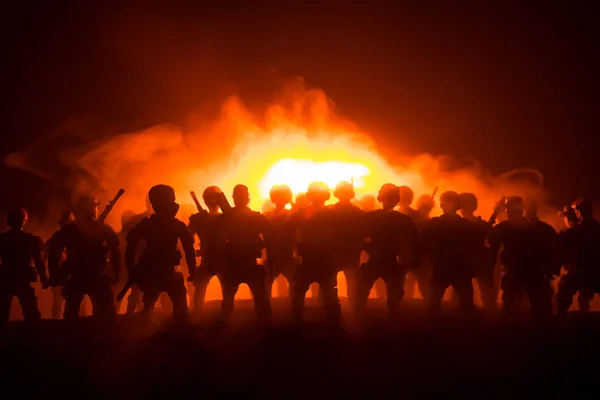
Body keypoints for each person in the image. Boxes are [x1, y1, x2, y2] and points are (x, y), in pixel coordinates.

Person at [125, 185, 196, 323]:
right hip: (163, 274)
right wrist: (192, 269)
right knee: (174, 310)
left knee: (151, 310)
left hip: (158, 274)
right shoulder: (174, 225)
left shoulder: (148, 224)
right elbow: (189, 248)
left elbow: (130, 246)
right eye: (171, 200)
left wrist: (132, 270)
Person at [47, 195, 121, 323]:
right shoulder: (101, 229)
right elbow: (115, 251)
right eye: (95, 207)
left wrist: (55, 274)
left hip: (80, 275)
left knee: (72, 314)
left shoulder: (69, 230)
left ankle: (73, 339)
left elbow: (54, 251)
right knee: (107, 316)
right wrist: (115, 274)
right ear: (91, 209)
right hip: (94, 275)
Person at [356, 184, 417, 318]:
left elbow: (358, 238)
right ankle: (393, 321)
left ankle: (358, 321)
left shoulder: (368, 218)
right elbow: (410, 241)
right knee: (394, 298)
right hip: (391, 262)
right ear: (397, 199)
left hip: (374, 260)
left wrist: (369, 247)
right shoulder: (404, 220)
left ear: (380, 198)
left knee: (360, 296)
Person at [284, 182, 341, 322]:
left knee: (299, 293)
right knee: (328, 293)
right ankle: (333, 323)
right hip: (324, 259)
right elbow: (342, 236)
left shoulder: (301, 214)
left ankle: (296, 321)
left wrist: (295, 248)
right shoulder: (333, 214)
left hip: (308, 258)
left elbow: (286, 231)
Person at [488, 196, 554, 318]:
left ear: (508, 210)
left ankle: (508, 331)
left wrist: (495, 214)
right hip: (533, 270)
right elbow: (551, 245)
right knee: (538, 304)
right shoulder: (537, 227)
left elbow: (487, 237)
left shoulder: (504, 227)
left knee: (509, 304)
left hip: (513, 269)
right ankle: (543, 331)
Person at [219, 184, 272, 323]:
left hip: (241, 262)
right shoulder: (252, 217)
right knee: (256, 297)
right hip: (240, 262)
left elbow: (270, 237)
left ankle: (225, 323)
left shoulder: (228, 217)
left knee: (256, 297)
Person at [421, 191, 477, 316]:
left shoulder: (435, 223)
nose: (442, 204)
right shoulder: (466, 225)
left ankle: (431, 329)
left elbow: (424, 241)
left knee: (434, 303)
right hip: (458, 267)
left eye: (443, 202)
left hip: (444, 266)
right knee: (466, 304)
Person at [0, 208, 48, 328]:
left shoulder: (2, 239)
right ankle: (32, 340)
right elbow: (38, 261)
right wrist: (44, 277)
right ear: (24, 220)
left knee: (2, 315)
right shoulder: (30, 239)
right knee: (32, 316)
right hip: (22, 279)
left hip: (5, 279)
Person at [556, 198, 600, 314]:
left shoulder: (575, 231)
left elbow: (563, 249)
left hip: (579, 271)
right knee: (583, 295)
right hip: (595, 271)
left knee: (563, 296)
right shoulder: (597, 228)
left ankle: (559, 320)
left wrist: (555, 267)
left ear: (579, 212)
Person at [188, 186, 227, 313]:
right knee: (200, 287)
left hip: (222, 259)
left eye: (215, 198)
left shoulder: (226, 217)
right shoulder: (198, 219)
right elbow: (188, 238)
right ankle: (196, 314)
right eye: (210, 198)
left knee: (228, 289)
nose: (213, 201)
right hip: (208, 259)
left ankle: (227, 314)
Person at [459, 192, 497, 309]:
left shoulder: (458, 224)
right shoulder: (483, 224)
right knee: (485, 289)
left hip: (465, 260)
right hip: (479, 259)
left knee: (462, 290)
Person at [331, 181, 365, 312]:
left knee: (332, 284)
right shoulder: (358, 212)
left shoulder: (330, 211)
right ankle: (354, 310)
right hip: (350, 252)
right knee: (352, 284)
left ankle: (333, 310)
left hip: (336, 252)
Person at [263, 184, 296, 299]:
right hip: (285, 256)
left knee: (265, 286)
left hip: (274, 256)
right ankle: (295, 311)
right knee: (295, 285)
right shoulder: (292, 215)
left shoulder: (266, 216)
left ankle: (264, 312)